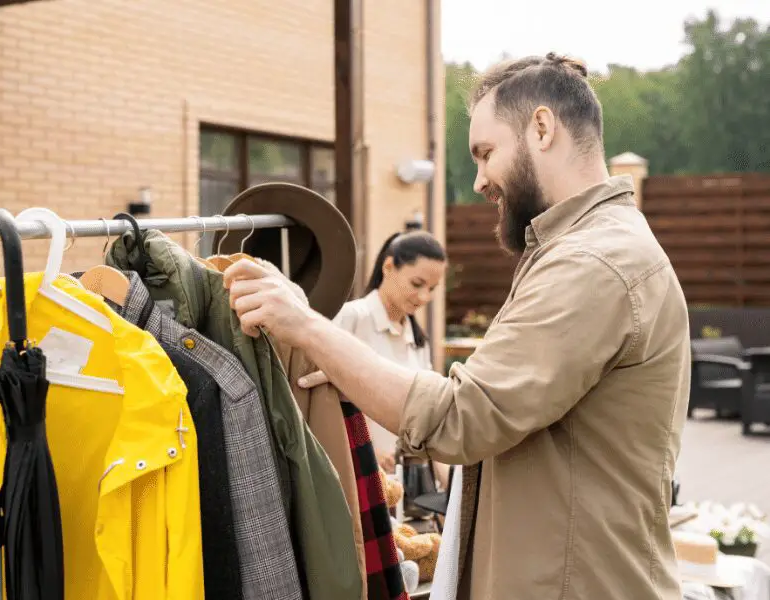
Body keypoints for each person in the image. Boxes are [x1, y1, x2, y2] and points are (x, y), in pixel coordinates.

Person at [224, 51, 690, 600]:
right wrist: (346, 370)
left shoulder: (592, 262)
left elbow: (461, 417)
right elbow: (497, 416)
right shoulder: (586, 248)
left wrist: (306, 326)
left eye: (486, 153)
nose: (478, 181)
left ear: (542, 128)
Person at [327, 231, 448, 484]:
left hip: (405, 486)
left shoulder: (417, 340)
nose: (424, 297)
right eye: (417, 284)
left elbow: (429, 415)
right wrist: (367, 451)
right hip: (354, 476)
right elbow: (324, 401)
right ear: (389, 266)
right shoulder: (351, 318)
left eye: (432, 289)